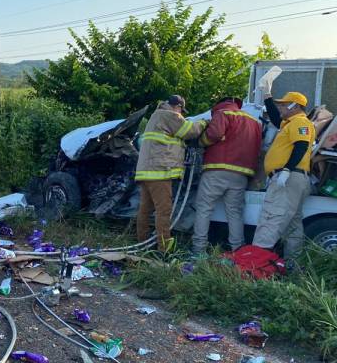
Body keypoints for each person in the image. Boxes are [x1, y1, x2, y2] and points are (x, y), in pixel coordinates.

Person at [191, 97, 262, 254]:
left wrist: (200, 142)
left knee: (204, 208)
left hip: (217, 168)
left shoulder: (222, 113)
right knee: (235, 212)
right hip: (242, 174)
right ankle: (238, 250)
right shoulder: (254, 122)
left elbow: (214, 134)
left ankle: (198, 250)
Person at [135, 95, 205, 251]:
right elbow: (189, 131)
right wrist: (203, 123)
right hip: (159, 172)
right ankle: (165, 249)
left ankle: (142, 243)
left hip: (146, 172)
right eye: (181, 110)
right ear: (177, 106)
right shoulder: (169, 115)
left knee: (145, 210)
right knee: (164, 210)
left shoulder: (156, 116)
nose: (182, 114)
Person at [252, 91, 315, 259]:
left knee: (272, 217)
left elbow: (301, 145)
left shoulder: (300, 122)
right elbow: (275, 118)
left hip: (288, 177)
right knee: (293, 224)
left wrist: (287, 170)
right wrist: (267, 97)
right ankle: (292, 265)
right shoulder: (289, 123)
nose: (280, 107)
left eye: (283, 104)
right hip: (294, 178)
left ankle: (253, 265)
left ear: (294, 106)